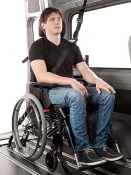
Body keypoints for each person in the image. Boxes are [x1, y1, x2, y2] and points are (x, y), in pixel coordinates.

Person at [29, 7, 123, 166]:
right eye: (52, 19)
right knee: (76, 95)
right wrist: (71, 81)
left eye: (59, 18)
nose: (57, 21)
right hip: (51, 91)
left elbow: (85, 71)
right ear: (43, 25)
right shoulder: (38, 46)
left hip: (71, 90)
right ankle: (83, 149)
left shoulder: (71, 47)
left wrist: (99, 81)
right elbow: (41, 75)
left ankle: (100, 144)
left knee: (107, 94)